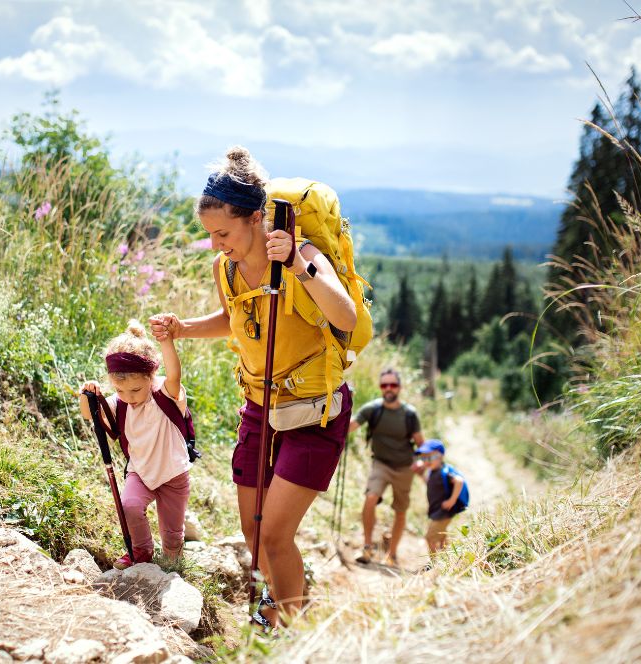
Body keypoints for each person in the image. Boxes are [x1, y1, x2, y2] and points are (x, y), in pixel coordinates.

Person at [149, 146, 356, 630]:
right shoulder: (226, 267)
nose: (217, 244)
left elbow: (344, 315)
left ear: (257, 218)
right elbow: (233, 319)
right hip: (260, 407)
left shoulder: (302, 255)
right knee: (254, 531)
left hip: (313, 412)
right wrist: (182, 328)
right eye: (210, 235)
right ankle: (284, 606)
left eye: (223, 233)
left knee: (277, 535)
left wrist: (301, 269)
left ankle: (291, 630)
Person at [80, 320, 192, 569]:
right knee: (129, 505)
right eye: (120, 390)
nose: (128, 397)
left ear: (151, 377)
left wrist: (166, 341)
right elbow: (90, 414)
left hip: (173, 474)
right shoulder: (119, 404)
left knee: (172, 531)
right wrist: (86, 394)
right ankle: (141, 551)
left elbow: (174, 374)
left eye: (135, 389)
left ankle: (173, 559)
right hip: (140, 471)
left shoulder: (165, 394)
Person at [348, 369, 424, 566]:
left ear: (399, 387)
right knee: (370, 498)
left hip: (405, 467)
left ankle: (392, 553)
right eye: (384, 385)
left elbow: (421, 443)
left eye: (393, 385)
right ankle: (367, 547)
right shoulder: (372, 409)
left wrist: (427, 468)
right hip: (380, 463)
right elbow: (351, 425)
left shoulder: (409, 414)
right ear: (380, 388)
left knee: (400, 511)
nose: (388, 389)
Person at [412, 440, 468, 562]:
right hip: (437, 510)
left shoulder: (445, 471)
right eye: (424, 458)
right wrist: (421, 475)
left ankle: (434, 563)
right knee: (441, 536)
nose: (426, 461)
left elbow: (459, 481)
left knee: (430, 537)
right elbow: (431, 485)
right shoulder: (433, 472)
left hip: (444, 511)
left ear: (440, 456)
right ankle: (448, 558)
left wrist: (452, 500)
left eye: (430, 457)